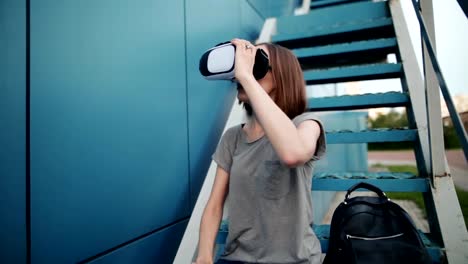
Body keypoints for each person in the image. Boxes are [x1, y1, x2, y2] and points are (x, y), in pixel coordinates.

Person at [194, 38, 326, 264]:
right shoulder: (233, 137)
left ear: (282, 76)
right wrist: (204, 255)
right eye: (242, 65)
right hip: (237, 258)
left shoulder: (306, 124)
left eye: (255, 63)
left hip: (294, 260)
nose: (241, 70)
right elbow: (214, 205)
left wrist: (247, 76)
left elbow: (292, 154)